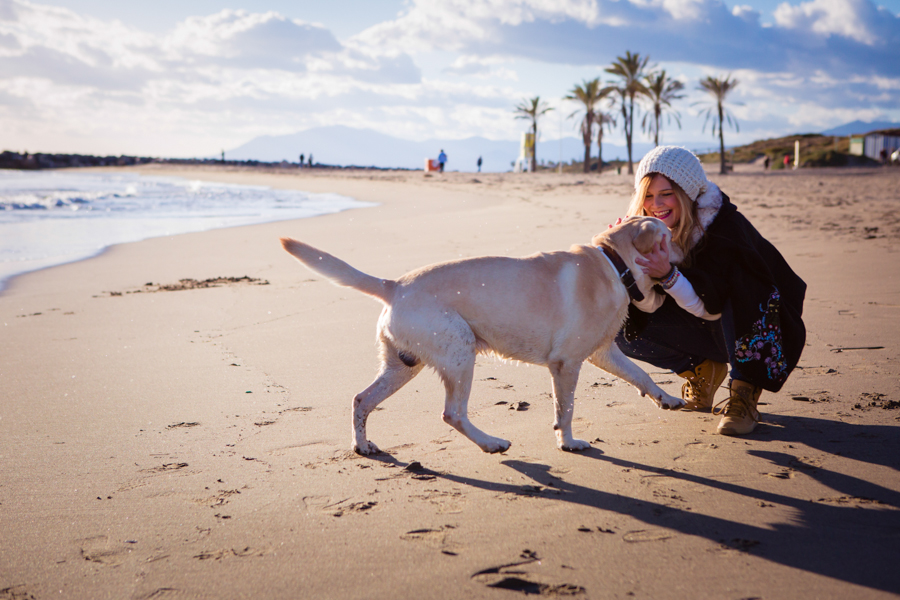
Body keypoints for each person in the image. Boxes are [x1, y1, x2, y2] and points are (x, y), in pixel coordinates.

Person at [614, 146, 806, 436]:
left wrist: (667, 274)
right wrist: (625, 261)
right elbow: (650, 306)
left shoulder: (724, 228)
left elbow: (712, 306)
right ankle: (701, 370)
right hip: (710, 329)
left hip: (762, 328)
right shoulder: (647, 231)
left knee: (736, 284)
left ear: (687, 192)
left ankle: (744, 390)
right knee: (617, 325)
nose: (656, 204)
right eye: (648, 196)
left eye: (666, 193)